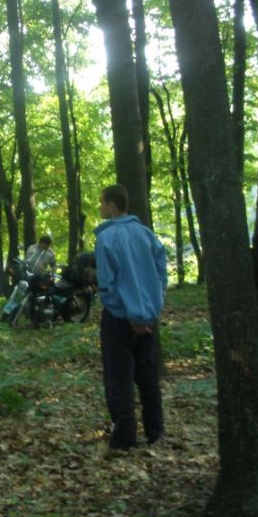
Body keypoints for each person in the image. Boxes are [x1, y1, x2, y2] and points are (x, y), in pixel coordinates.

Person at [94, 184, 167, 451]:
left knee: (119, 378)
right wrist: (149, 311)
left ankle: (125, 437)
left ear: (113, 205)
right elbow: (161, 274)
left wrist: (127, 314)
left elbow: (107, 284)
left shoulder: (106, 238)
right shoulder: (146, 234)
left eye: (102, 202)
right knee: (148, 376)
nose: (100, 207)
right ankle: (155, 431)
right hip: (147, 319)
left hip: (119, 319)